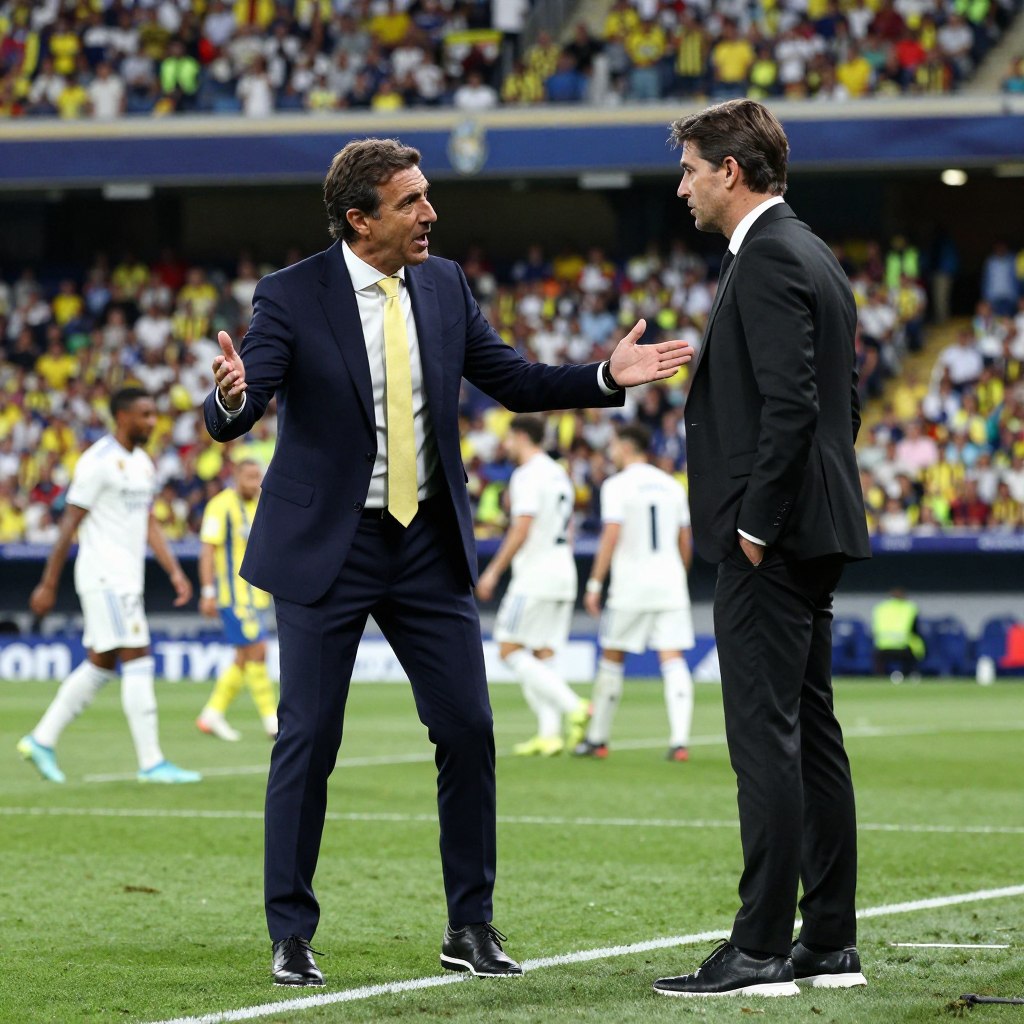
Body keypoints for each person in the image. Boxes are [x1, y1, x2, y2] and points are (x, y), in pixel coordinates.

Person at [203, 138, 692, 987]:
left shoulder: (444, 284)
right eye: (410, 202)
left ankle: (470, 925)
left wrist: (606, 377)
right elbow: (247, 397)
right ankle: (291, 931)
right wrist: (230, 398)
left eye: (427, 197)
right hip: (331, 547)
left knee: (468, 728)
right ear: (361, 220)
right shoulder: (289, 294)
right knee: (309, 738)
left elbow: (514, 379)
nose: (430, 214)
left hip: (426, 543)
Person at [652, 100, 871, 999]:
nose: (683, 186)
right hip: (810, 527)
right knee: (811, 732)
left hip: (770, 539)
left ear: (731, 172)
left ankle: (759, 950)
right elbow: (839, 402)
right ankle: (826, 942)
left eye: (692, 169)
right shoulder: (810, 250)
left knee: (766, 738)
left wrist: (753, 523)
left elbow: (793, 404)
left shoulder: (773, 255)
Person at [18, 388, 200, 786]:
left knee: (101, 664)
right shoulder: (97, 463)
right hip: (106, 576)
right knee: (138, 657)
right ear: (122, 417)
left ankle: (40, 739)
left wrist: (174, 571)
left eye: (154, 415)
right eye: (145, 415)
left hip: (126, 578)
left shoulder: (143, 464)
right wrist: (47, 583)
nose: (153, 422)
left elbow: (148, 521)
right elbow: (69, 523)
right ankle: (151, 762)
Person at [574, 423, 696, 763]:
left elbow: (611, 534)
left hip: (630, 586)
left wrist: (595, 584)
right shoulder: (671, 485)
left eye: (613, 445)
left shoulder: (616, 485)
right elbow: (685, 539)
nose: (610, 451)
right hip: (669, 581)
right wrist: (677, 574)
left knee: (612, 658)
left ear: (626, 447)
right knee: (672, 658)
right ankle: (680, 741)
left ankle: (597, 739)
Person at [475, 414, 589, 757]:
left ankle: (575, 707)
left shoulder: (527, 474)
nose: (505, 445)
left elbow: (522, 526)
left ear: (522, 437)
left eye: (509, 438)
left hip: (536, 573)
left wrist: (493, 571)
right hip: (562, 570)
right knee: (543, 652)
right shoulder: (558, 472)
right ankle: (550, 734)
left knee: (508, 649)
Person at [195, 459, 278, 742]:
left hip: (258, 595)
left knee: (243, 659)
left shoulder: (264, 504)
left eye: (258, 476)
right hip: (234, 596)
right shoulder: (220, 506)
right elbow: (208, 550)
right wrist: (208, 591)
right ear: (236, 477)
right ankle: (272, 721)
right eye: (249, 477)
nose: (255, 482)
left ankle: (212, 714)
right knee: (258, 651)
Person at [871, 587, 924, 682]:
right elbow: (915, 631)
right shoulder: (909, 608)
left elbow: (874, 629)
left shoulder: (881, 608)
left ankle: (879, 679)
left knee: (877, 657)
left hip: (882, 647)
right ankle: (911, 674)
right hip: (903, 647)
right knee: (917, 648)